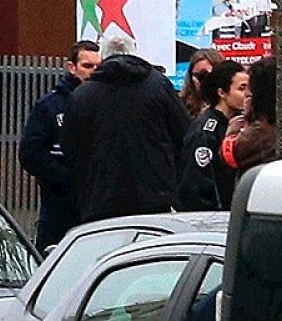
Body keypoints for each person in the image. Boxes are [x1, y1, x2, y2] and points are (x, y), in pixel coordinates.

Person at [61, 32, 190, 223]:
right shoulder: (159, 85)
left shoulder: (82, 95)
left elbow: (69, 147)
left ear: (102, 56)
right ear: (135, 52)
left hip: (100, 200)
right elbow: (183, 133)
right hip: (154, 199)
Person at [19, 40, 100, 251]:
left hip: (96, 205)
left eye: (97, 67)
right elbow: (30, 153)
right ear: (71, 67)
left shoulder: (105, 104)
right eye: (87, 66)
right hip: (59, 207)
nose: (92, 72)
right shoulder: (50, 106)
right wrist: (66, 177)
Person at [179, 59, 248, 211]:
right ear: (222, 92)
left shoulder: (238, 123)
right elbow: (196, 181)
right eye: (241, 89)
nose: (247, 95)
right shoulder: (206, 131)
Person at [180, 48, 227, 117]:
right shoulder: (182, 104)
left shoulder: (230, 103)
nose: (200, 80)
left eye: (205, 74)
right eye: (196, 75)